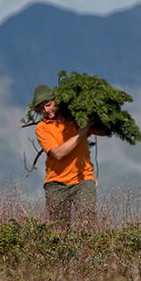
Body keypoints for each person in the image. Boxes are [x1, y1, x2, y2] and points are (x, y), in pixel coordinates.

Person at [31, 84, 104, 226]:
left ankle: (90, 249)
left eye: (48, 105)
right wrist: (82, 131)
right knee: (59, 230)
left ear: (56, 101)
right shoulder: (42, 128)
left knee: (88, 224)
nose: (46, 110)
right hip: (56, 184)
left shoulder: (76, 118)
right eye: (42, 109)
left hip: (83, 179)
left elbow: (103, 129)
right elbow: (58, 153)